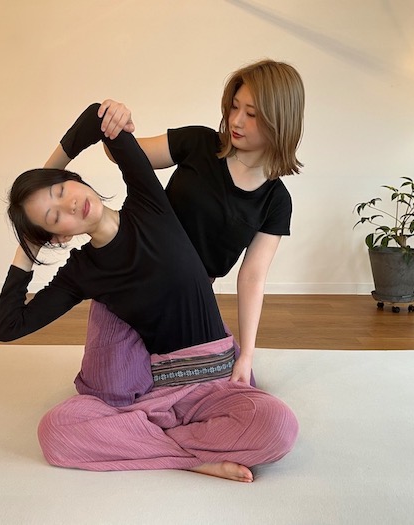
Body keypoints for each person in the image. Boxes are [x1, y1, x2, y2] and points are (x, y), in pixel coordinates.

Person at [0, 103, 298, 482]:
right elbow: (7, 327)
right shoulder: (82, 272)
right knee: (55, 432)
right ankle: (189, 457)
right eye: (54, 216)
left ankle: (144, 440)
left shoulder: (148, 202)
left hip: (213, 376)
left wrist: (44, 174)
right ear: (58, 236)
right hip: (154, 389)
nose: (68, 203)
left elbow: (97, 117)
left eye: (60, 189)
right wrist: (27, 249)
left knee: (279, 426)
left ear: (74, 179)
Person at [95, 59, 305, 385]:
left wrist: (247, 355)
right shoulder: (199, 143)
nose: (236, 120)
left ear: (280, 122)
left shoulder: (276, 201)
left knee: (235, 387)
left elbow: (252, 278)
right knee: (118, 387)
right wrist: (118, 121)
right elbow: (123, 153)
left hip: (189, 303)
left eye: (251, 114)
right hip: (132, 280)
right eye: (234, 107)